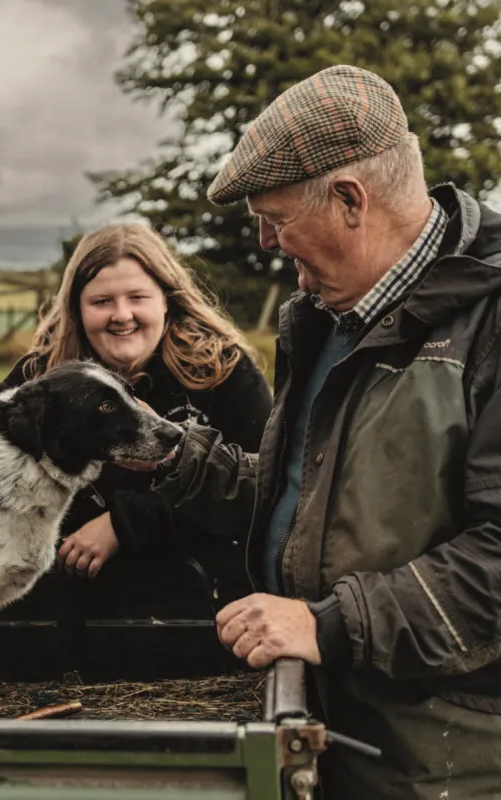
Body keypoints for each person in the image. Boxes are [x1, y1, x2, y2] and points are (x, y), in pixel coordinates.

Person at [153, 65, 501, 798]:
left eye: (277, 221)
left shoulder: (489, 320)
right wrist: (177, 463)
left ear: (349, 199)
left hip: (448, 760)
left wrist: (332, 625)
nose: (268, 243)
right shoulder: (327, 320)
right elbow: (314, 503)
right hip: (331, 734)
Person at [0, 223, 272, 595]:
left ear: (166, 299)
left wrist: (130, 523)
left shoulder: (221, 370)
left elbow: (261, 491)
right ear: (77, 308)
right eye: (102, 301)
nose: (121, 315)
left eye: (138, 297)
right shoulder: (38, 381)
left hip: (202, 601)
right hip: (63, 599)